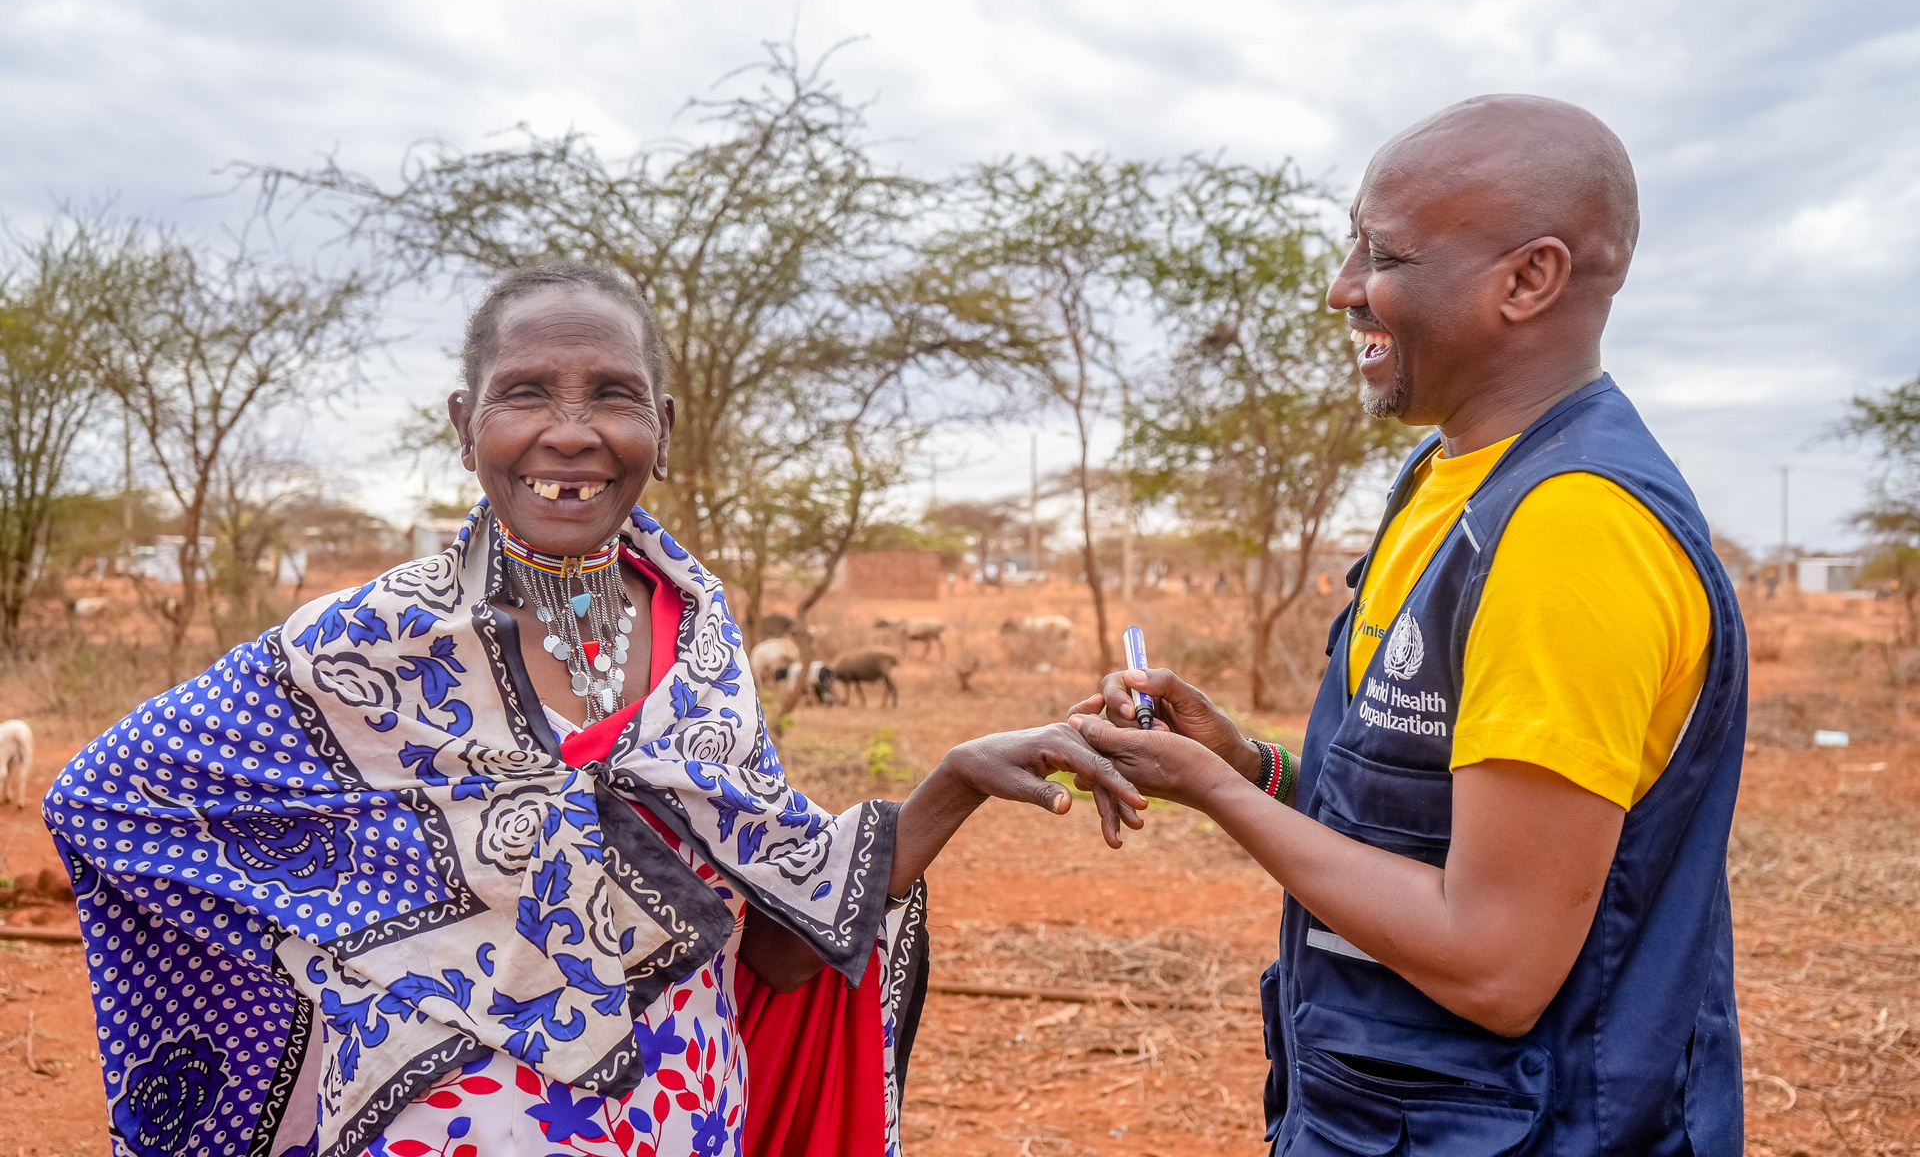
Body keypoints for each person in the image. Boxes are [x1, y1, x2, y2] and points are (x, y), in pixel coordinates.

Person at [46, 262, 1141, 1157]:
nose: (570, 430)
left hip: (687, 1107)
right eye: (526, 391)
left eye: (611, 394)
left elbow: (784, 945)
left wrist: (950, 781)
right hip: (446, 1120)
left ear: (660, 422)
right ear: (463, 420)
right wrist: (383, 935)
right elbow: (103, 802)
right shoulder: (361, 643)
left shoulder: (699, 639)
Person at [1074, 95, 1747, 1154]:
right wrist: (1247, 767)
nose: (1344, 288)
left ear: (1529, 279)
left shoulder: (1572, 530)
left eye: (1383, 254)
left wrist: (1207, 794)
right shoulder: (1443, 484)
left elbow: (1496, 959)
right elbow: (1427, 831)